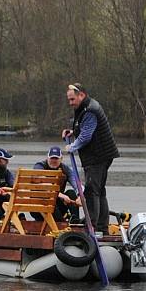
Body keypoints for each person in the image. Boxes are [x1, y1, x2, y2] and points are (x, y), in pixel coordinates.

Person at [62, 83, 120, 232]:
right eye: (69, 100)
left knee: (91, 190)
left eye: (72, 99)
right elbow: (82, 128)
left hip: (98, 156)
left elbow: (86, 136)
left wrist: (72, 146)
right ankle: (101, 226)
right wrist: (72, 132)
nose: (70, 103)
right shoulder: (83, 107)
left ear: (81, 95)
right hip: (101, 155)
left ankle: (93, 226)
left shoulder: (90, 110)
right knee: (99, 190)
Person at [33, 146, 81, 223]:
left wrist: (80, 195)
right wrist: (59, 195)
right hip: (40, 207)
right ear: (47, 158)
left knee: (71, 193)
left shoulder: (65, 169)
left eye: (56, 158)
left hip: (57, 206)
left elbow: (75, 181)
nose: (54, 160)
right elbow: (43, 183)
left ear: (61, 159)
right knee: (50, 199)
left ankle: (75, 221)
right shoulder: (39, 166)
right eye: (52, 158)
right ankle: (61, 224)